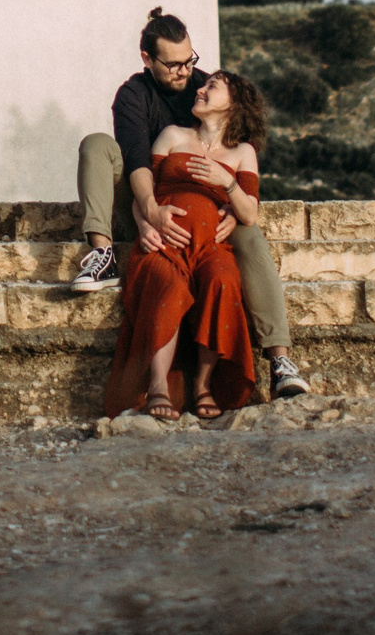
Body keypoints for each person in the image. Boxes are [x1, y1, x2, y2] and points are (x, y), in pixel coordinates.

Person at [71, 8, 310, 399]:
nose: (186, 74)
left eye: (190, 61)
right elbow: (137, 163)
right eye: (173, 65)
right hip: (145, 199)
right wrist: (148, 216)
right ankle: (103, 253)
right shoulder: (134, 95)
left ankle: (280, 360)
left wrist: (234, 205)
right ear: (148, 60)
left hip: (208, 220)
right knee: (97, 145)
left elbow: (236, 151)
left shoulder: (205, 89)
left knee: (251, 236)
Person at [101, 68, 269, 420]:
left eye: (212, 86)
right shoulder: (173, 135)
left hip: (211, 248)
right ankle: (159, 384)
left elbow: (249, 213)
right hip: (164, 242)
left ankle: (203, 384)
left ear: (234, 103)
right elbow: (142, 189)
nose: (201, 89)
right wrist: (145, 222)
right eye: (204, 85)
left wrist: (227, 182)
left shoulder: (242, 153)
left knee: (222, 281)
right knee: (169, 285)